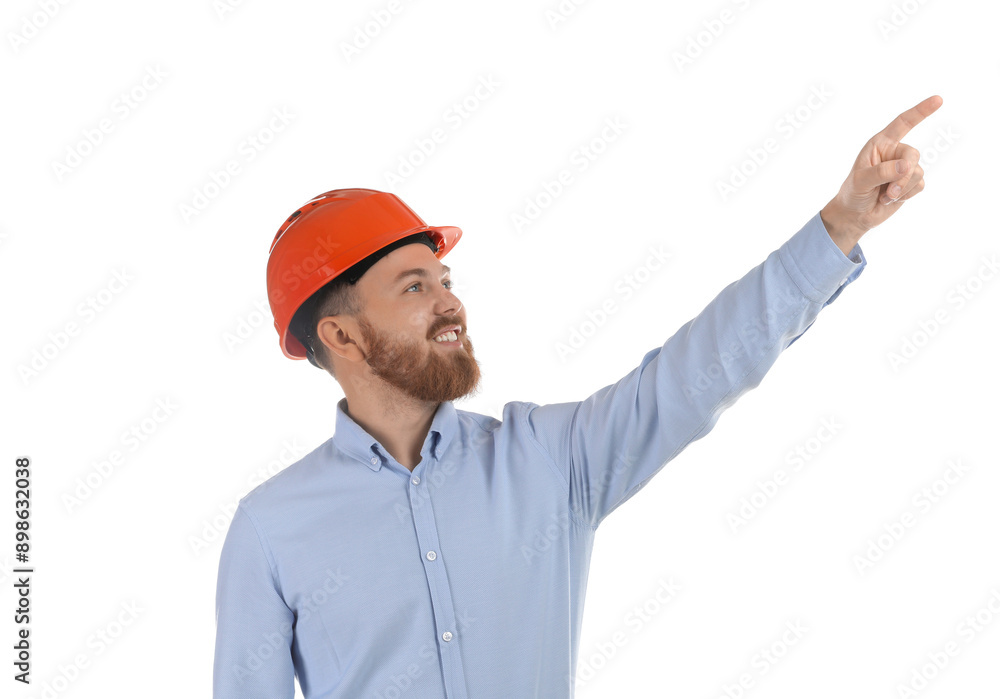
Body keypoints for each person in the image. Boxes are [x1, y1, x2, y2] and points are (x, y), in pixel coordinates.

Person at [213, 95, 943, 698]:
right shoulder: (272, 530)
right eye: (413, 287)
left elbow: (701, 370)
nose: (449, 304)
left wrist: (841, 224)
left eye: (446, 282)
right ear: (341, 336)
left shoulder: (549, 459)